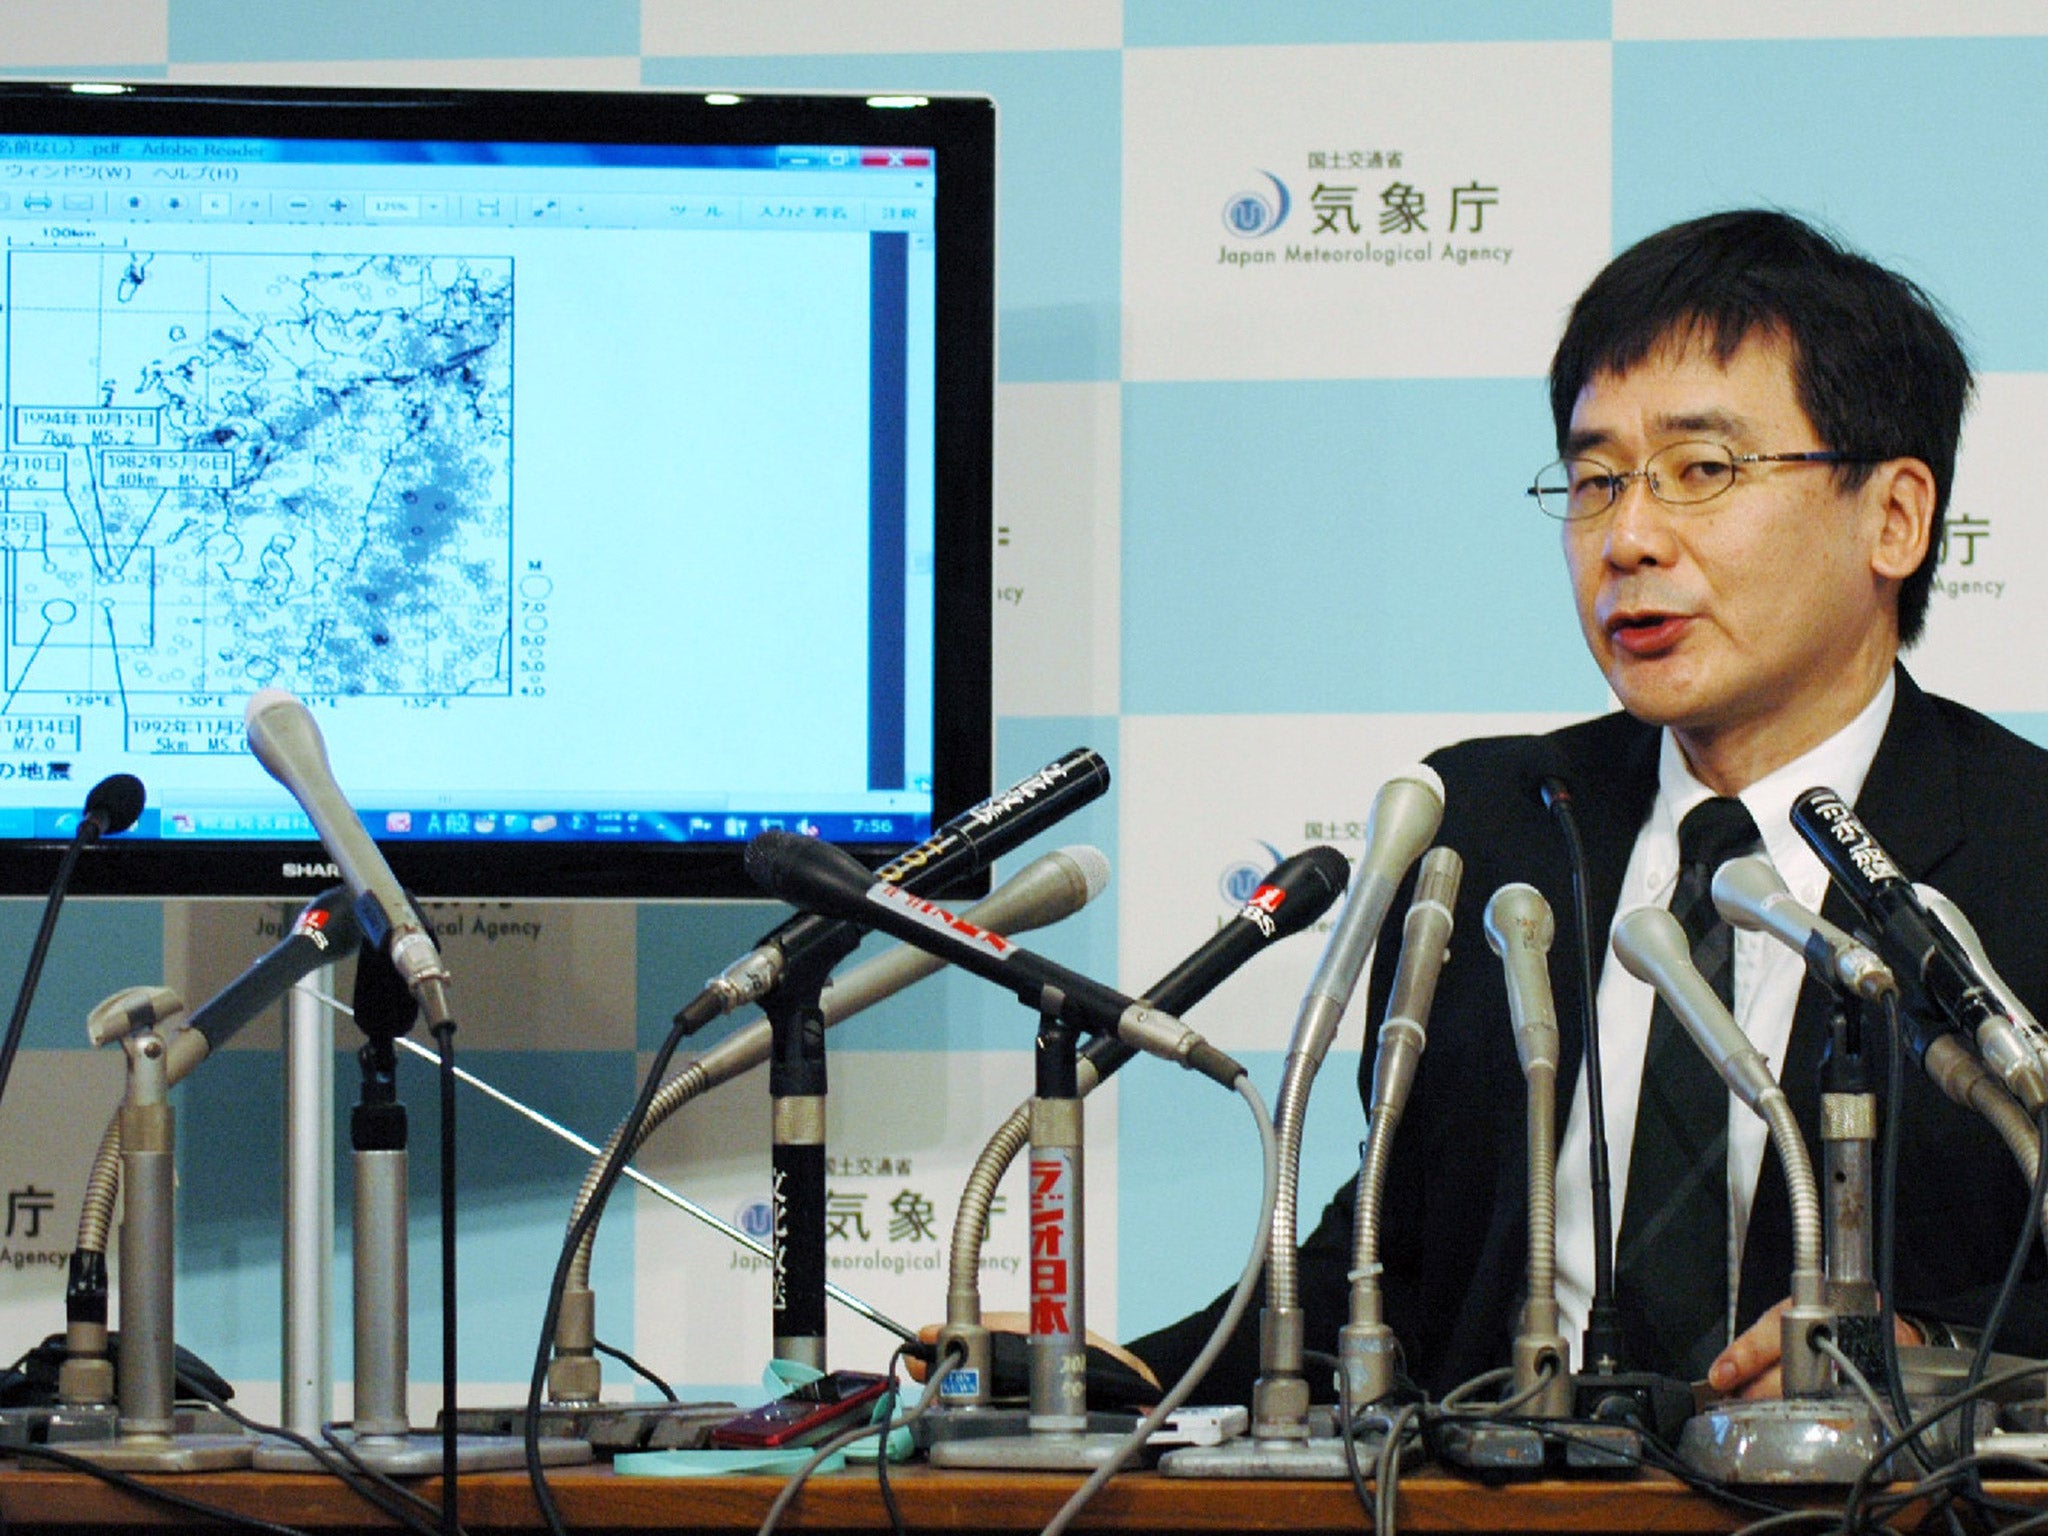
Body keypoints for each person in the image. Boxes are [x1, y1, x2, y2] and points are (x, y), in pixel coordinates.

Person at [1126, 208, 2048, 1406]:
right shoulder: (1491, 821)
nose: (1627, 538)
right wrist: (1107, 1380)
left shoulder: (2026, 850)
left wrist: (1922, 1353)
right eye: (1595, 477)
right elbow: (1390, 1262)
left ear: (1893, 517)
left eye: (1701, 471)